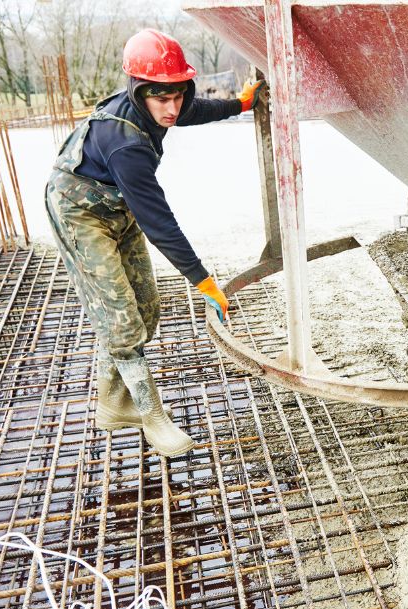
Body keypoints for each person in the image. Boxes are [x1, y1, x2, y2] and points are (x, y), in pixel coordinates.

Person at [45, 29, 267, 457]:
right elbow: (159, 222)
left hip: (115, 205)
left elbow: (192, 111)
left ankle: (111, 403)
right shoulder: (126, 142)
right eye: (161, 99)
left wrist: (238, 105)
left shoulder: (159, 107)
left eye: (177, 95)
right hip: (80, 214)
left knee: (147, 307)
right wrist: (202, 280)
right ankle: (151, 416)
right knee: (122, 319)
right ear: (138, 90)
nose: (171, 108)